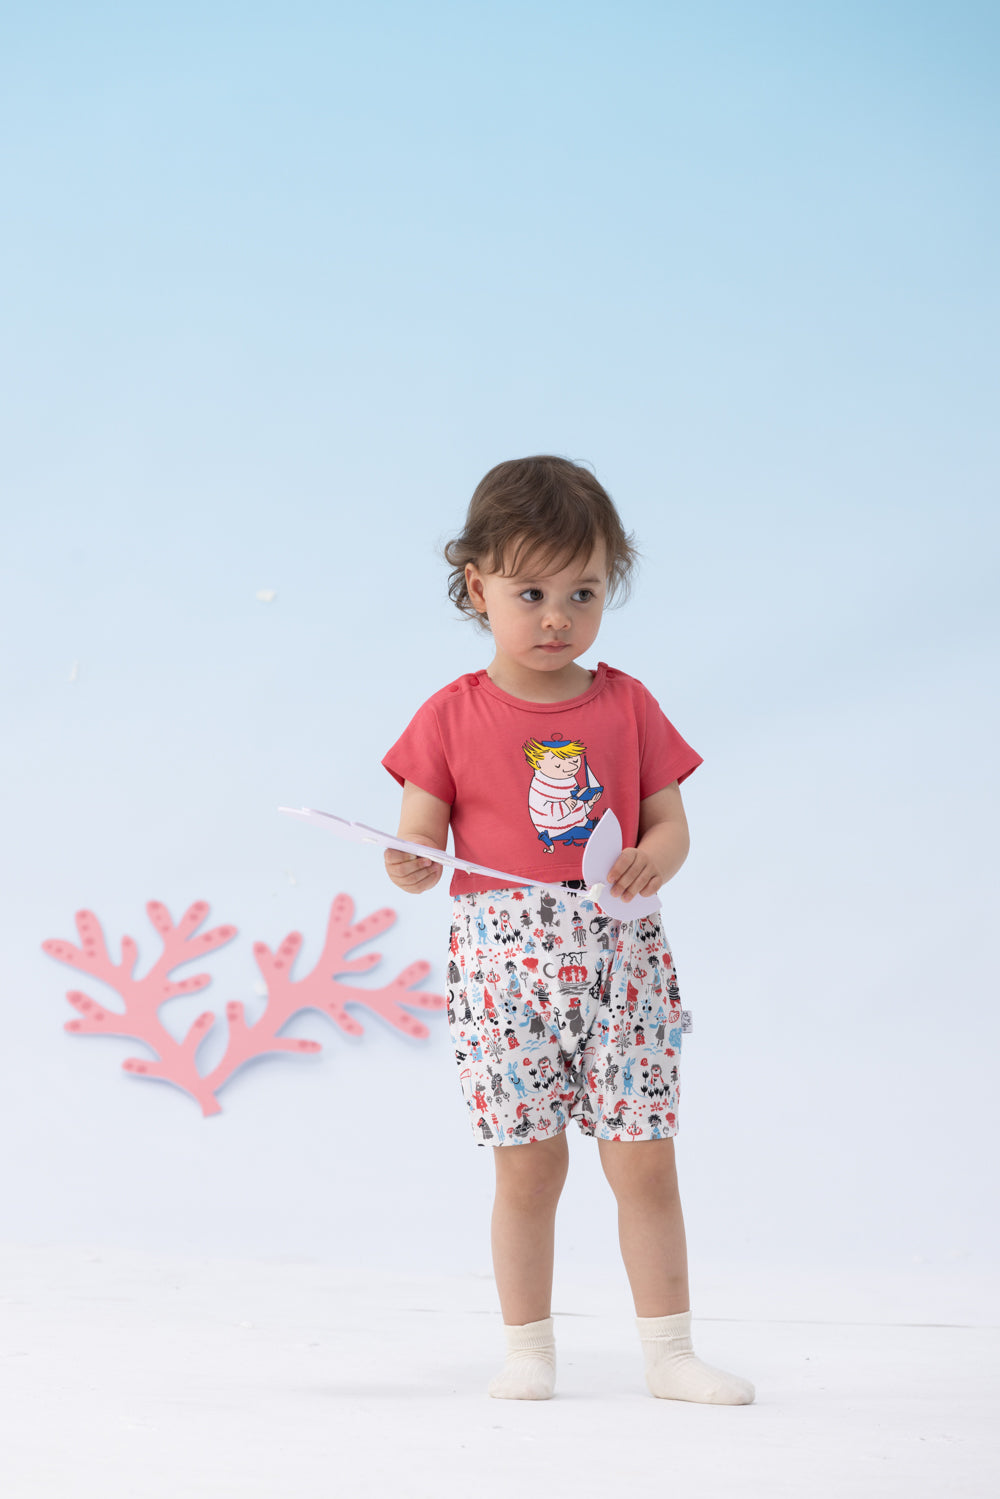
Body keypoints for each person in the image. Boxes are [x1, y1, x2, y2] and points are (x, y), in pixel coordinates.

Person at [381, 455, 754, 1406]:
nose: (557, 617)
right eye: (532, 593)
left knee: (645, 1158)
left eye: (583, 593)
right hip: (503, 972)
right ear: (478, 588)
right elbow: (419, 832)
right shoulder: (450, 715)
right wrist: (411, 860)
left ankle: (669, 1352)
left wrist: (654, 858)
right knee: (528, 1166)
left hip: (622, 963)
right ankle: (528, 1349)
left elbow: (670, 825)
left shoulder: (627, 704)